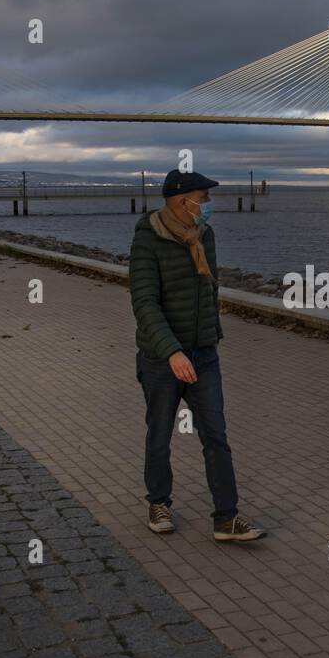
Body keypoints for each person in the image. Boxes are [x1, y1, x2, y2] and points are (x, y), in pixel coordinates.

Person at [128, 168, 266, 542]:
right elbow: (144, 302)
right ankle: (158, 502)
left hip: (204, 354)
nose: (207, 206)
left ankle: (226, 518)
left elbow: (210, 289)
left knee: (216, 436)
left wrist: (210, 337)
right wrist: (171, 351)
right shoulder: (147, 240)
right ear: (181, 201)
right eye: (203, 200)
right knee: (159, 435)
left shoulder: (205, 236)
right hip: (161, 359)